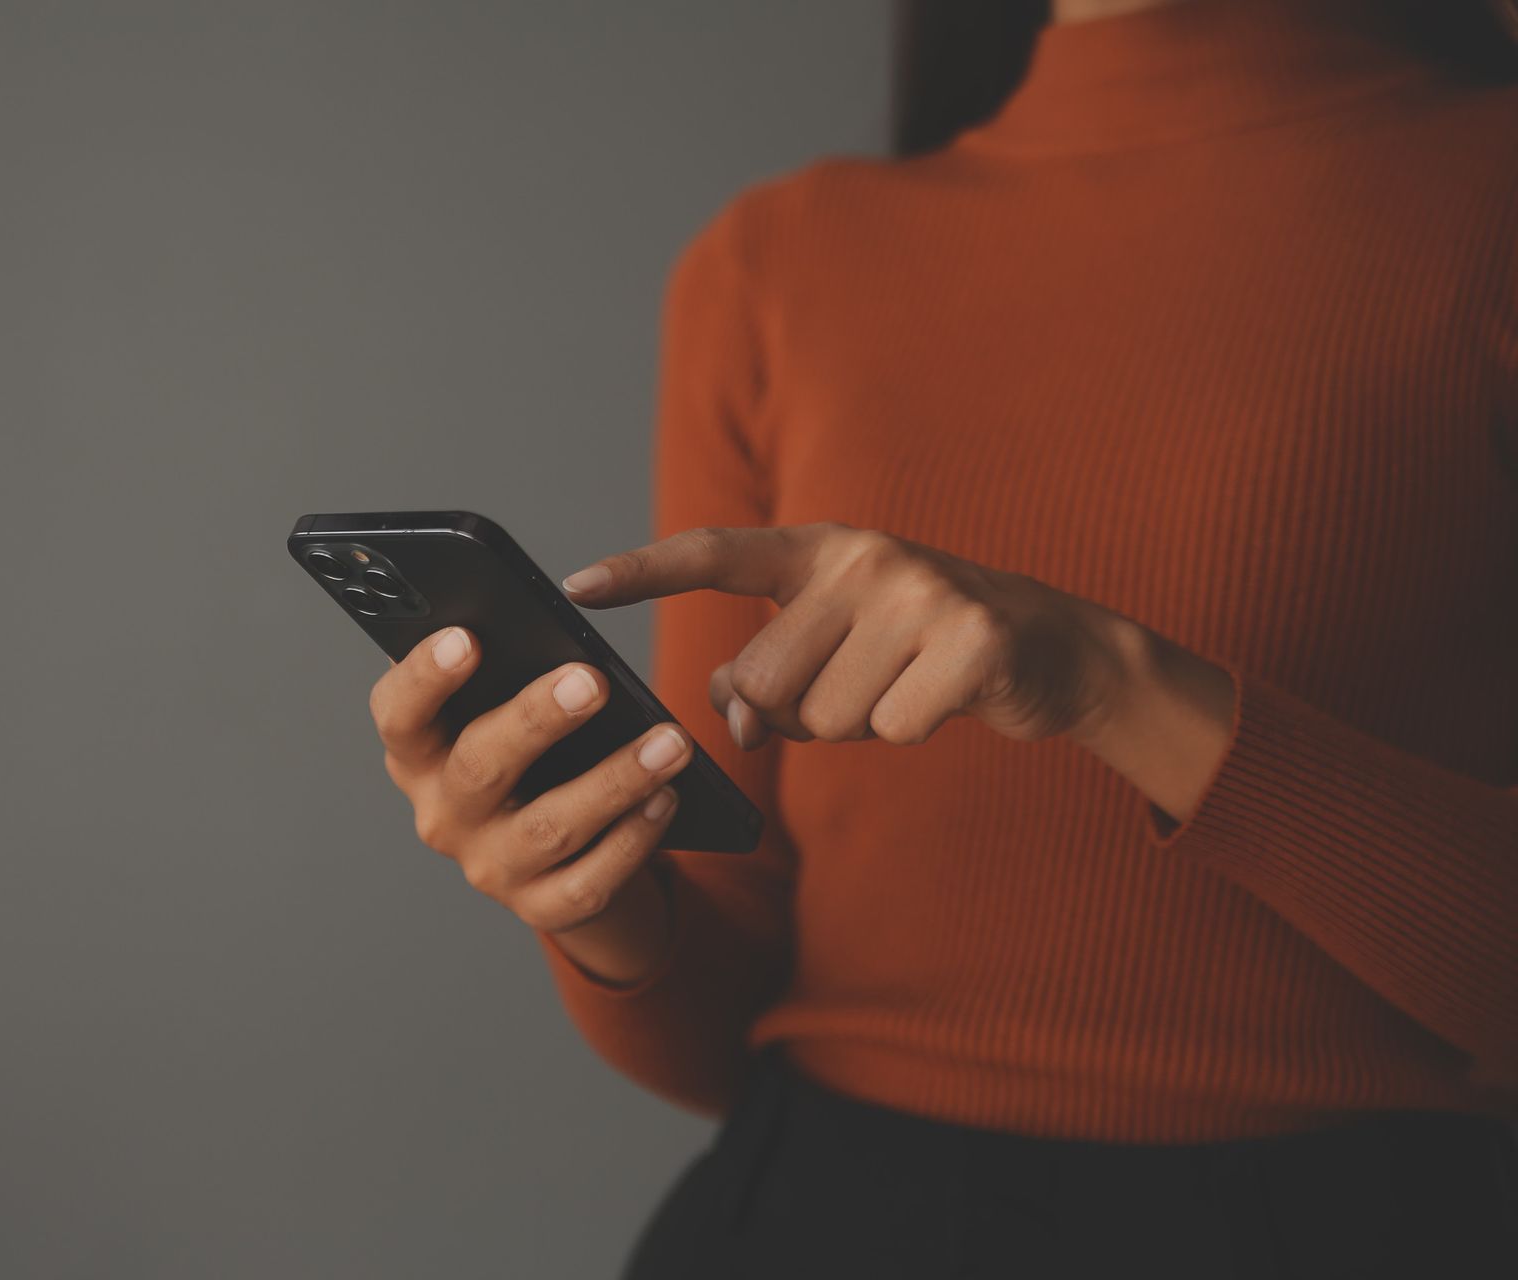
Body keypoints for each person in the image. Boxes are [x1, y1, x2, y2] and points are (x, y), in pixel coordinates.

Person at [364, 0, 1518, 1273]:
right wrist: (587, 893)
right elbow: (721, 1022)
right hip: (816, 1209)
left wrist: (1108, 682)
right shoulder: (776, 261)